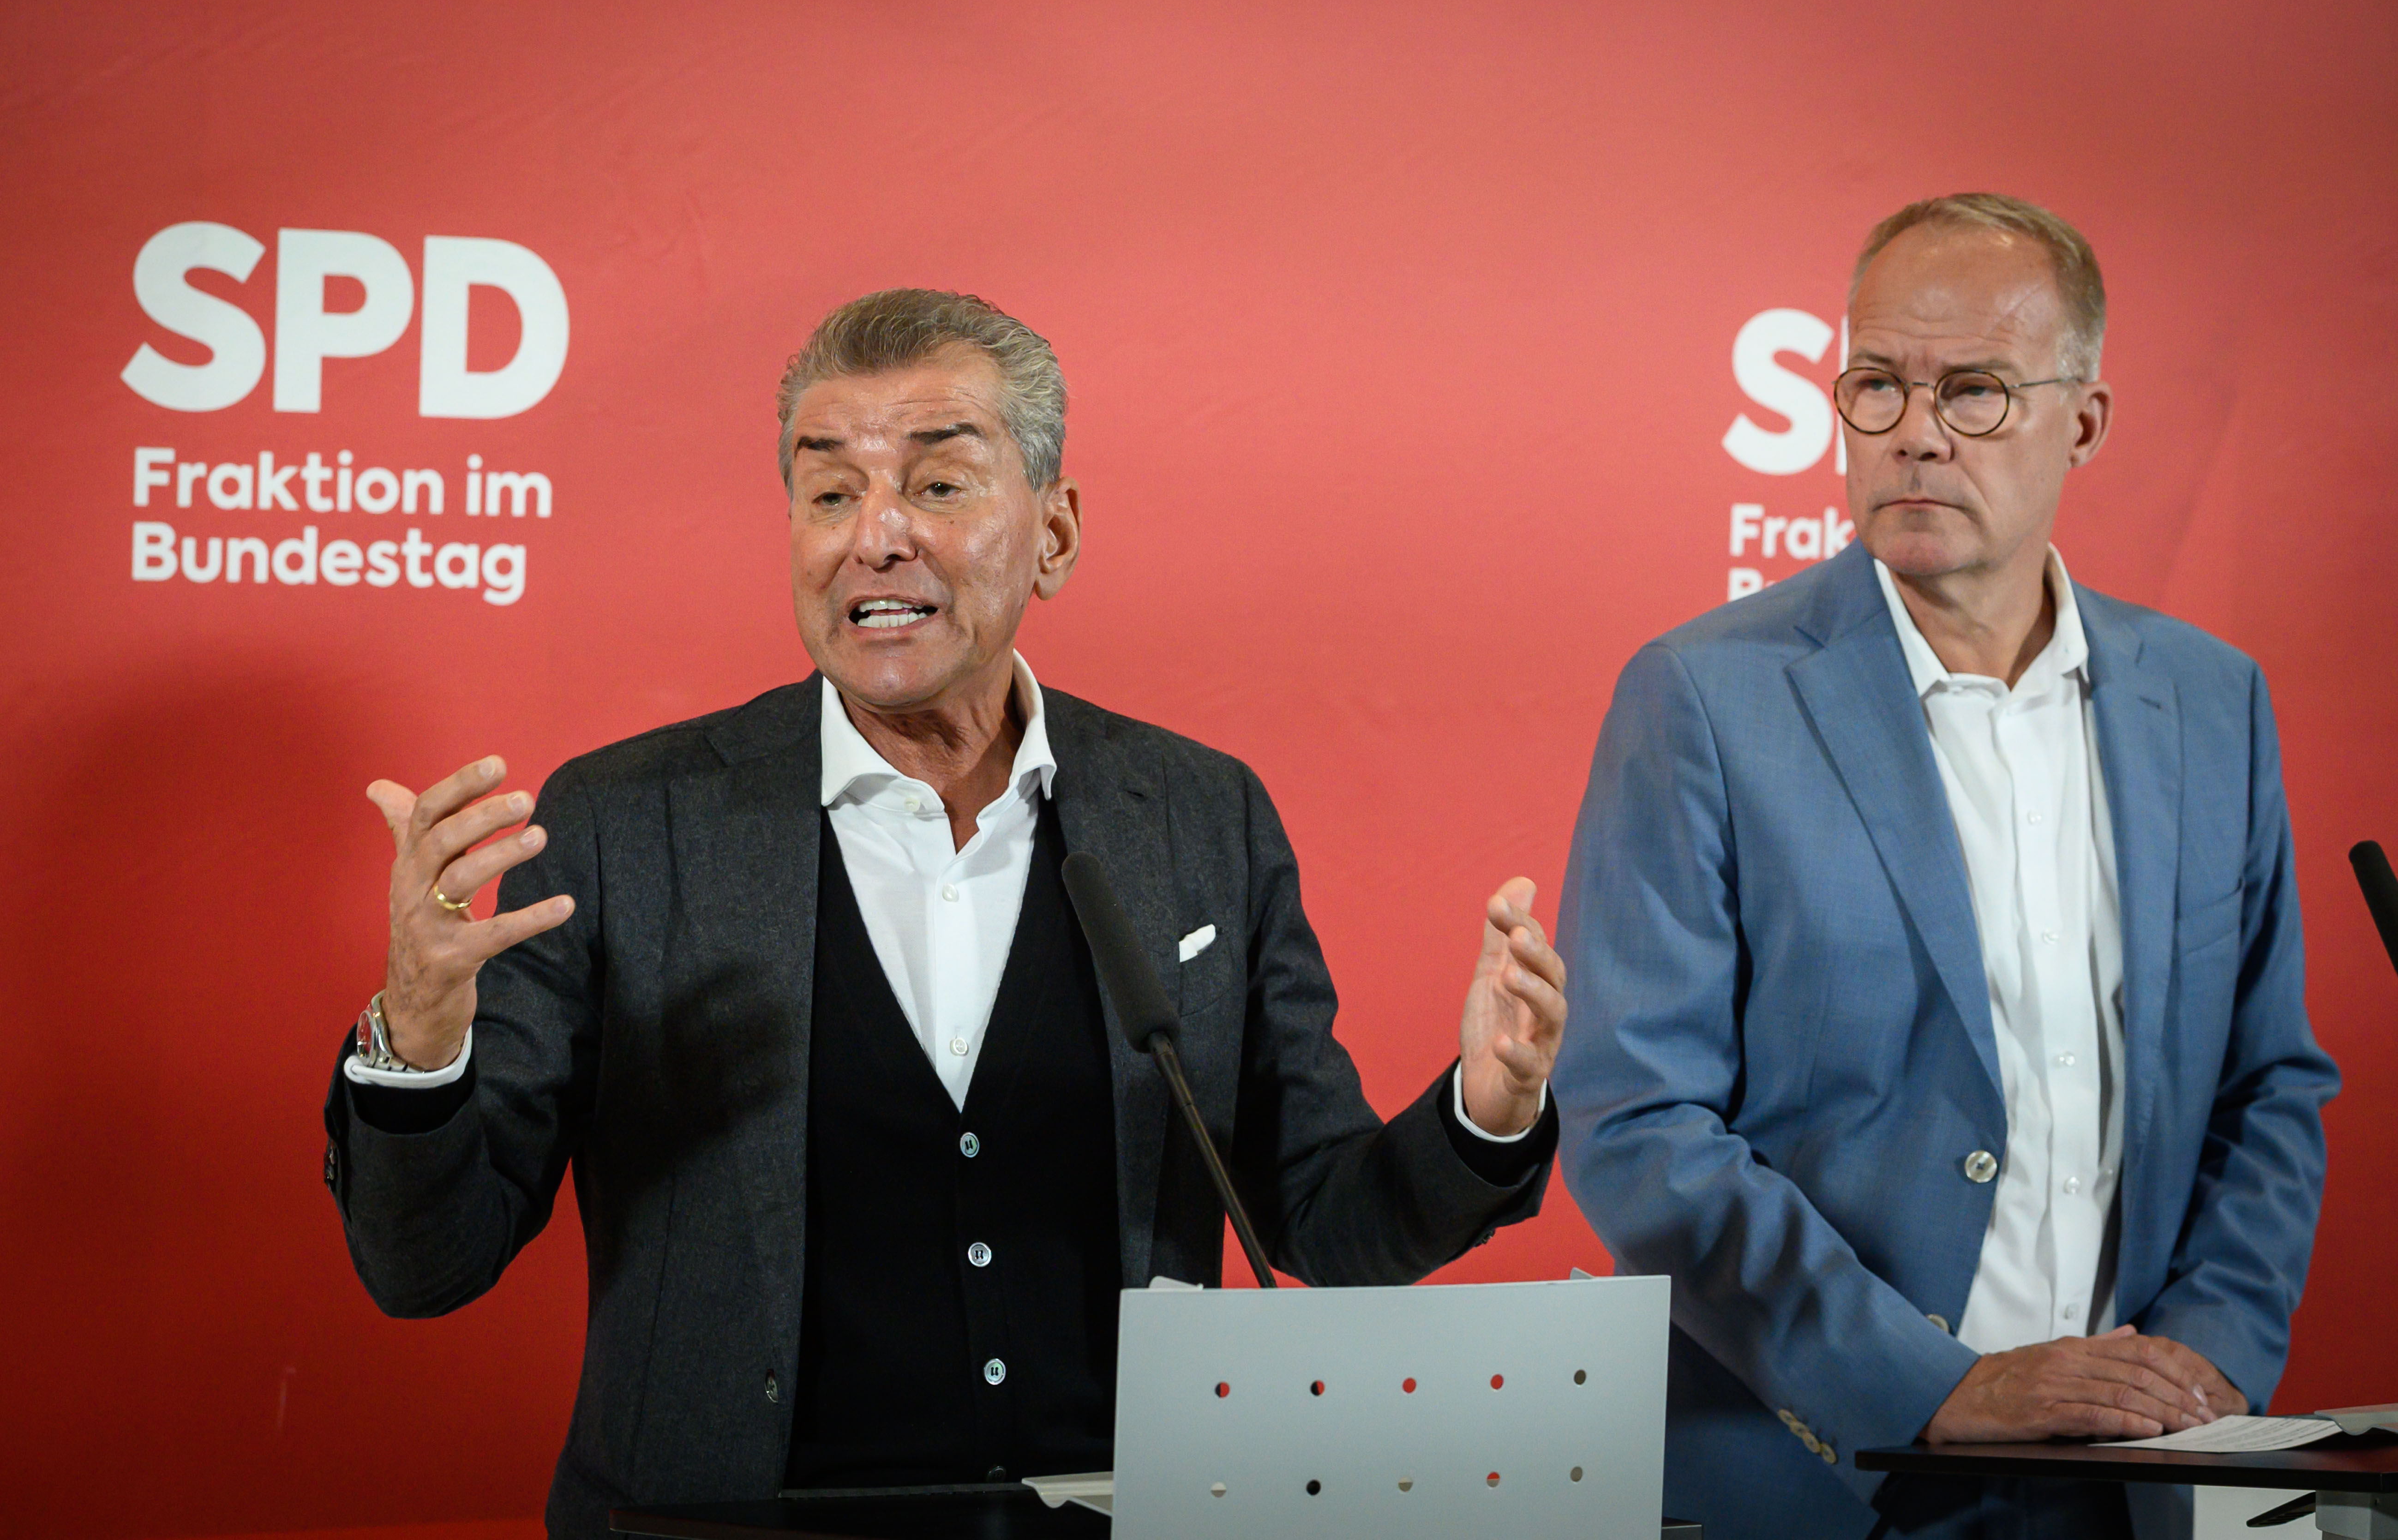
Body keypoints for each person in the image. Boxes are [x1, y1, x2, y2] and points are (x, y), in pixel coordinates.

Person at [322, 289, 1565, 1537]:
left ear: (1056, 531)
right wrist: (417, 1047)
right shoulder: (625, 824)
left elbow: (1319, 1219)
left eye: (938, 484)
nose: (875, 537)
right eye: (829, 495)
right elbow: (428, 1267)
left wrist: (1484, 1117)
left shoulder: (1198, 817)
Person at [1551, 194, 2337, 1540]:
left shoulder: (2212, 704)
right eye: (1875, 386)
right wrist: (1933, 1386)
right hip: (1821, 1476)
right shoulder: (1702, 698)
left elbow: (2269, 1087)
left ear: (2081, 422)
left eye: (1973, 391)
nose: (1913, 431)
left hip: (2136, 1482)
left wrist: (2203, 1368)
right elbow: (1637, 1121)